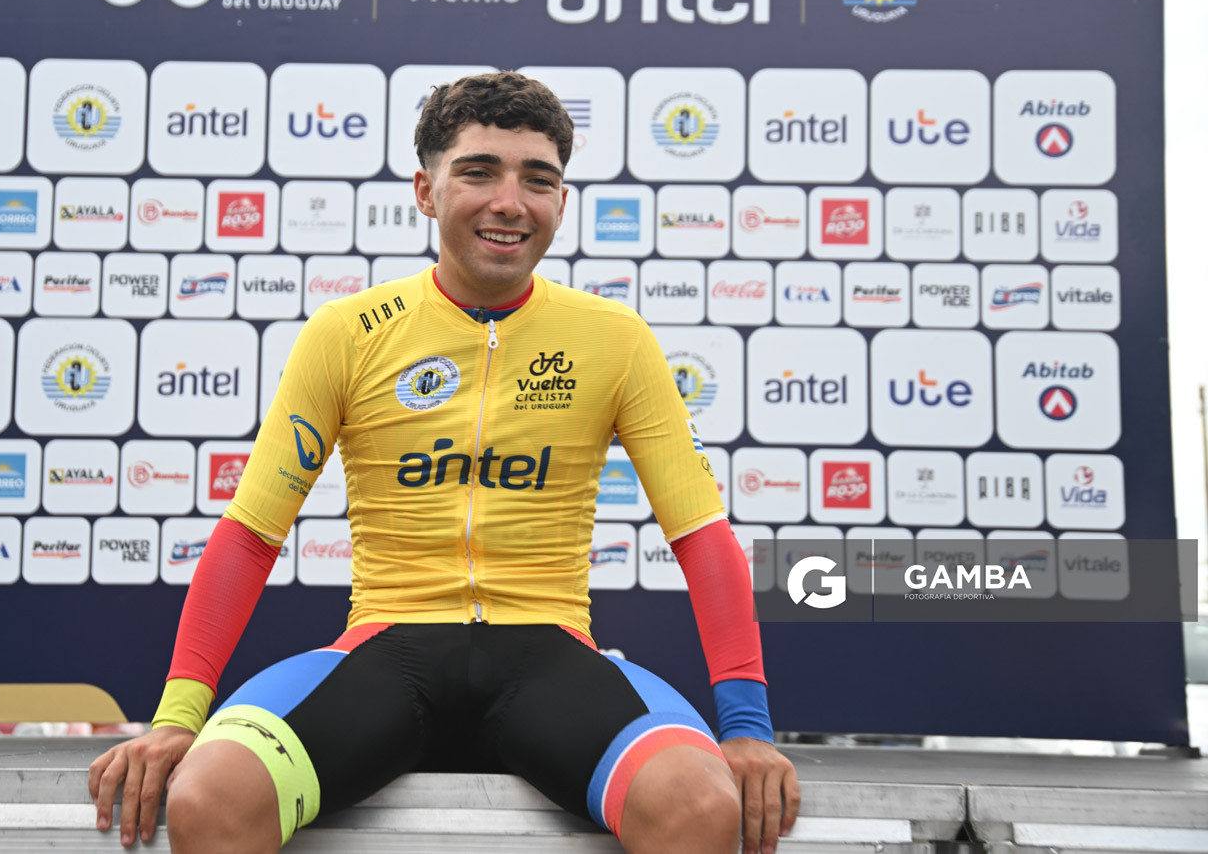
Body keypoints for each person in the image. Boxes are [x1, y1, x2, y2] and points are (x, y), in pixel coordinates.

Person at [88, 71, 800, 854]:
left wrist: (748, 726)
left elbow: (701, 536)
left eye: (538, 180)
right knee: (209, 799)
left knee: (701, 805)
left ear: (561, 202)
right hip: (387, 651)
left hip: (550, 654)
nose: (510, 201)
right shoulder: (349, 331)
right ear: (426, 192)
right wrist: (177, 717)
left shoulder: (615, 338)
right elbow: (251, 536)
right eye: (479, 172)